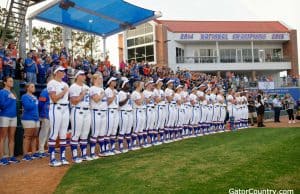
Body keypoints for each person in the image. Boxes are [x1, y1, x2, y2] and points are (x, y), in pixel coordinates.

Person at [47, 66, 70, 167]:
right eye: (61, 71)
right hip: (56, 107)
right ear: (56, 72)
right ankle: (52, 159)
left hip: (65, 108)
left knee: (63, 134)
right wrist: (64, 92)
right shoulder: (51, 83)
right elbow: (54, 98)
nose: (63, 72)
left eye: (63, 71)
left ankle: (63, 157)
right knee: (54, 133)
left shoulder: (65, 84)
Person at [70, 70, 92, 162]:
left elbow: (89, 101)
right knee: (76, 134)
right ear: (77, 76)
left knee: (85, 134)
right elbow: (74, 101)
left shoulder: (87, 87)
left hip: (87, 111)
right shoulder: (73, 87)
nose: (84, 76)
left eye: (84, 74)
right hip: (77, 110)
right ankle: (75, 156)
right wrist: (82, 94)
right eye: (82, 75)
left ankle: (83, 154)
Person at [0, 77, 19, 165]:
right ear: (5, 82)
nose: (12, 82)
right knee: (2, 137)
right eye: (10, 81)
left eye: (12, 81)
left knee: (12, 137)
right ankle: (2, 158)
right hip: (5, 116)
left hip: (13, 116)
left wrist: (11, 97)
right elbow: (2, 105)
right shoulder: (2, 92)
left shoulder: (12, 92)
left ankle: (11, 156)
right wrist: (10, 98)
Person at [89, 73, 107, 158]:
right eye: (100, 78)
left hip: (103, 111)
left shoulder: (101, 88)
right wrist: (103, 94)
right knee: (95, 132)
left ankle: (102, 150)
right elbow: (96, 99)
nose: (101, 80)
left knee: (102, 133)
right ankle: (92, 153)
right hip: (96, 111)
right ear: (95, 79)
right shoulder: (92, 88)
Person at [21, 83, 40, 161]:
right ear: (27, 88)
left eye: (34, 86)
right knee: (28, 136)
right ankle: (25, 154)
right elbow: (27, 107)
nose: (34, 88)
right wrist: (34, 102)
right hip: (28, 118)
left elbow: (36, 108)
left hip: (36, 118)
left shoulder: (35, 97)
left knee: (34, 136)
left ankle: (34, 152)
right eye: (32, 86)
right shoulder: (24, 96)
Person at [118, 77, 133, 152]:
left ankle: (129, 146)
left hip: (129, 112)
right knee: (122, 130)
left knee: (128, 130)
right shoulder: (121, 93)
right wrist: (127, 98)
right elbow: (120, 104)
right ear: (123, 85)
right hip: (123, 112)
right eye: (127, 84)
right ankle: (120, 147)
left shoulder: (128, 93)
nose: (128, 85)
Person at [105, 77, 119, 155]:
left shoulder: (116, 90)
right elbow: (107, 102)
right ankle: (106, 149)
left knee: (114, 131)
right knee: (109, 130)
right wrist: (113, 96)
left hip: (115, 110)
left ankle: (112, 148)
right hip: (109, 110)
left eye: (115, 81)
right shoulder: (107, 91)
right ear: (110, 82)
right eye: (113, 81)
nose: (115, 82)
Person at [38, 79, 51, 157]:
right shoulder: (45, 91)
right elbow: (40, 103)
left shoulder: (53, 91)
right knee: (44, 132)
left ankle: (50, 148)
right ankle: (41, 150)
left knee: (50, 133)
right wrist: (41, 113)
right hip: (45, 114)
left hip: (51, 115)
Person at [131, 81, 146, 150]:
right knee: (136, 128)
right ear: (138, 85)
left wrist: (142, 96)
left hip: (142, 111)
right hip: (136, 111)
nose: (143, 86)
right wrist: (142, 96)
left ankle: (140, 143)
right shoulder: (135, 93)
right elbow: (139, 103)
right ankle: (133, 144)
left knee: (140, 128)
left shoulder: (140, 93)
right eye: (142, 85)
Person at [153, 78, 166, 144]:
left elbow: (164, 99)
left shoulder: (162, 90)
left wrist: (161, 98)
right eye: (160, 81)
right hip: (157, 107)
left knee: (162, 123)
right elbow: (157, 100)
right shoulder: (155, 90)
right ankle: (154, 139)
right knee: (157, 122)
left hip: (163, 107)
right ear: (158, 83)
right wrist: (162, 98)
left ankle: (160, 138)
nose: (161, 82)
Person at [143, 80, 156, 147]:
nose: (152, 85)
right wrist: (151, 97)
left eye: (152, 84)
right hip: (147, 108)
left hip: (153, 108)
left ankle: (151, 140)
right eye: (150, 83)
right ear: (147, 84)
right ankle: (144, 141)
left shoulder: (152, 92)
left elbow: (155, 101)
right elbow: (146, 102)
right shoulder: (144, 92)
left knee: (151, 125)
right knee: (146, 125)